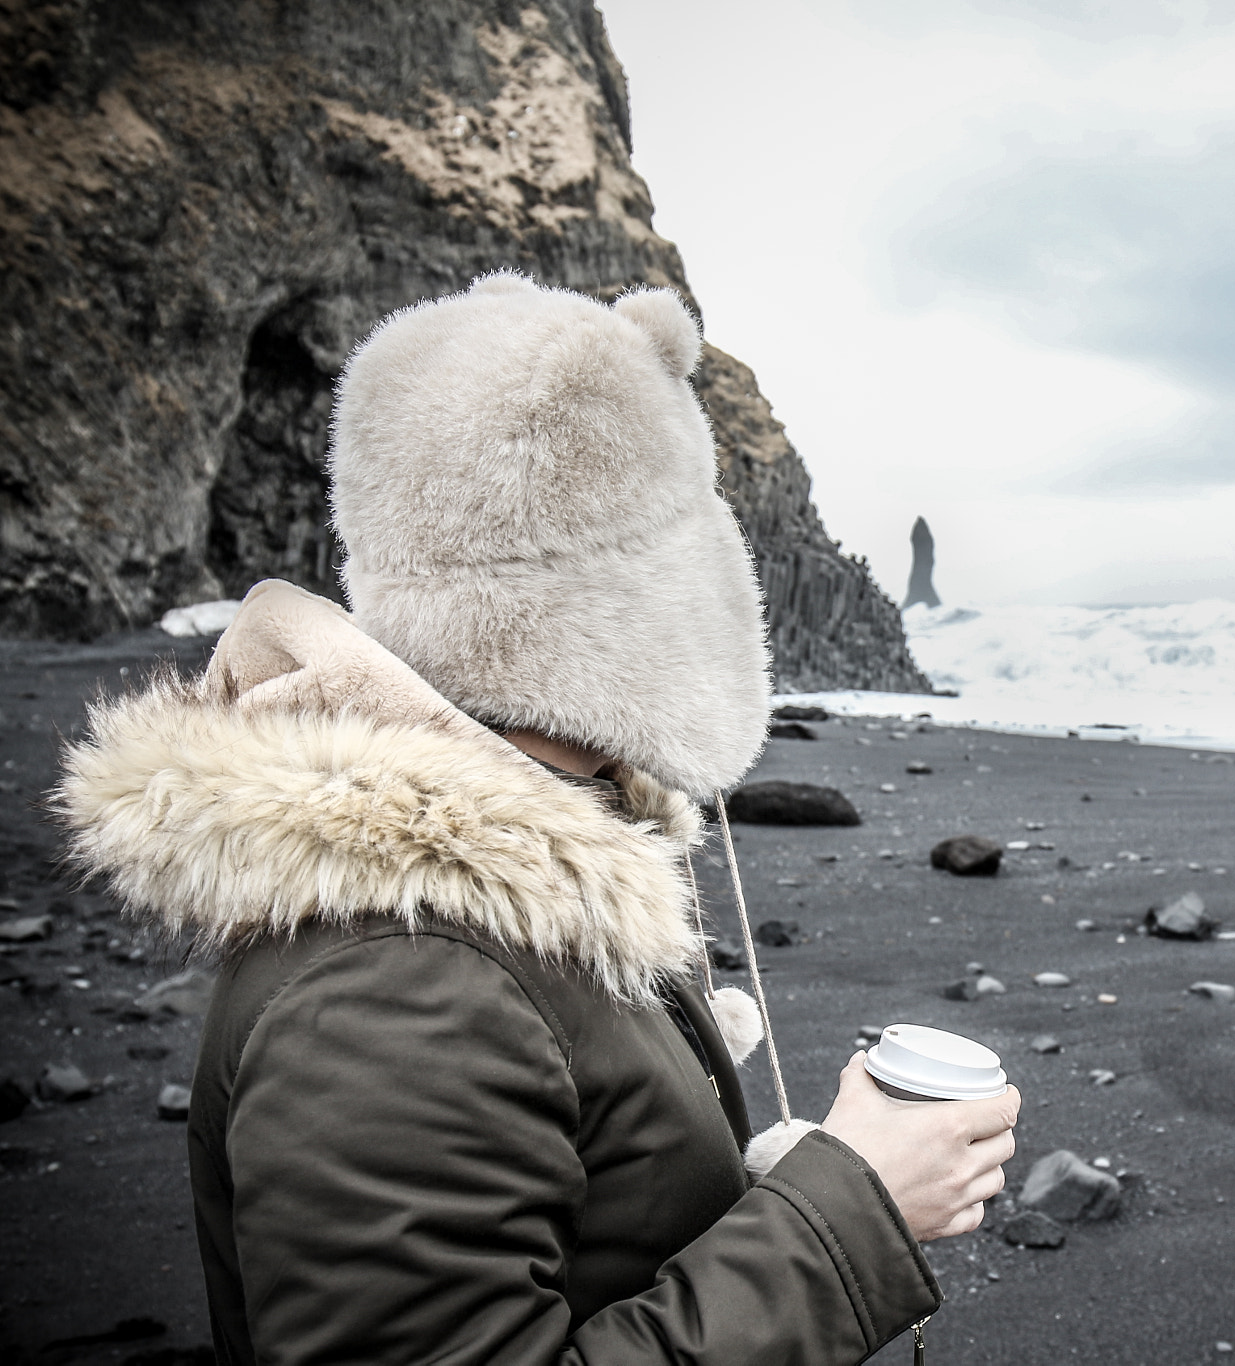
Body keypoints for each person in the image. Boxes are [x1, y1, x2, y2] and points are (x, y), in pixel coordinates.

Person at [59, 274, 1018, 1363]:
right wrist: (850, 1213)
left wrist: (769, 1197)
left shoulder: (505, 864)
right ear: (654, 585)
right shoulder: (401, 978)